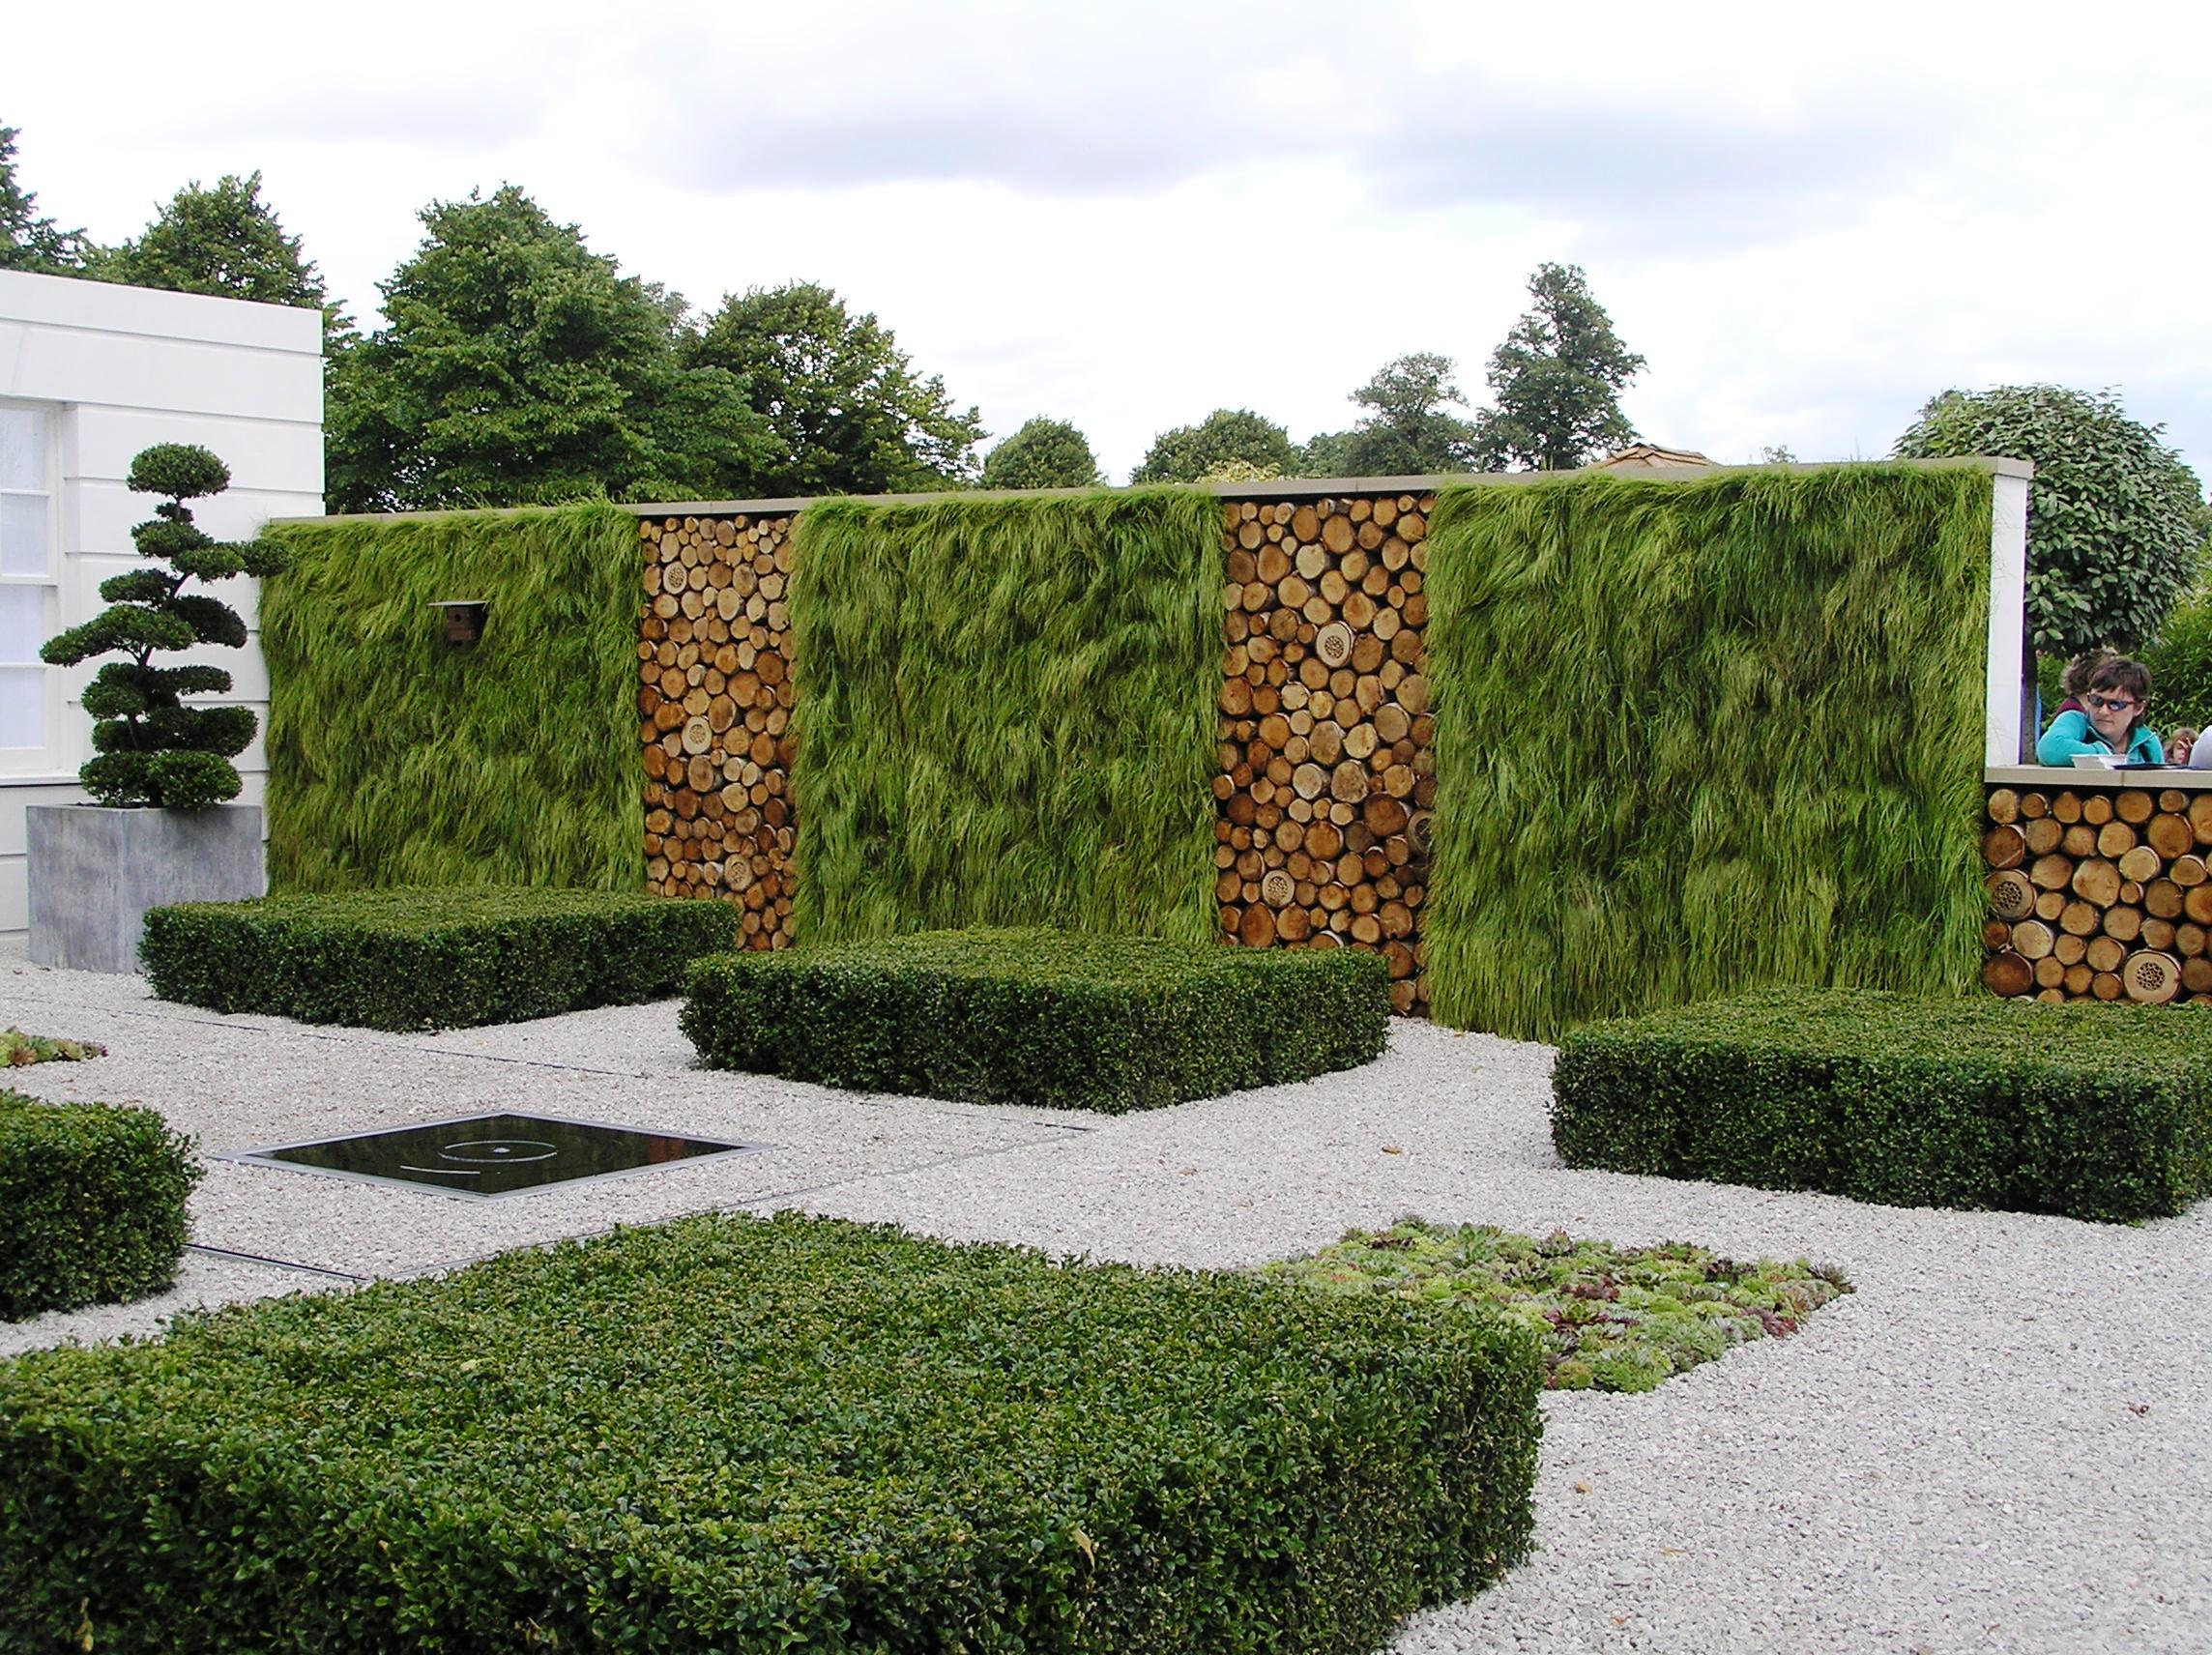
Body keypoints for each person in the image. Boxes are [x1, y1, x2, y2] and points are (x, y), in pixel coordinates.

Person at [2036, 656, 2165, 764]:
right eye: (2096, 700)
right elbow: (2049, 749)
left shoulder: (2148, 744)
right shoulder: (2075, 721)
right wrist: (2104, 755)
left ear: (2138, 708)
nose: (2103, 711)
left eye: (2115, 704)